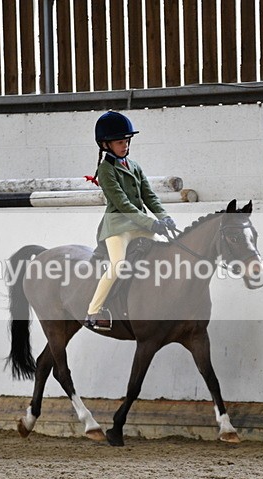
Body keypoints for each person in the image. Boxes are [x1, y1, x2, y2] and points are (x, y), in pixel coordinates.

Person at [84, 111, 176, 331]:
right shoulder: (106, 170)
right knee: (118, 265)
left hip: (140, 225)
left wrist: (164, 217)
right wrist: (152, 224)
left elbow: (149, 195)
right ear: (106, 145)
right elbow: (124, 205)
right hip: (118, 227)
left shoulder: (134, 165)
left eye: (126, 141)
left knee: (161, 258)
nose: (124, 146)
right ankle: (94, 311)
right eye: (119, 142)